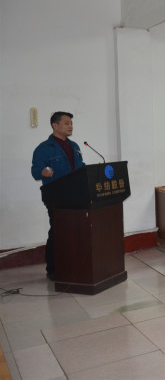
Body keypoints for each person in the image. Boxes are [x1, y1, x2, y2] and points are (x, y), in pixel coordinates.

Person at [31, 111, 86, 281]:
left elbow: (80, 167)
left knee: (76, 231)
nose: (70, 126)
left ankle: (74, 264)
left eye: (71, 123)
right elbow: (35, 171)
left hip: (76, 195)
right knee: (57, 231)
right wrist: (43, 171)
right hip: (56, 196)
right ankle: (53, 269)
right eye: (66, 123)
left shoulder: (74, 146)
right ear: (55, 125)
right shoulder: (44, 148)